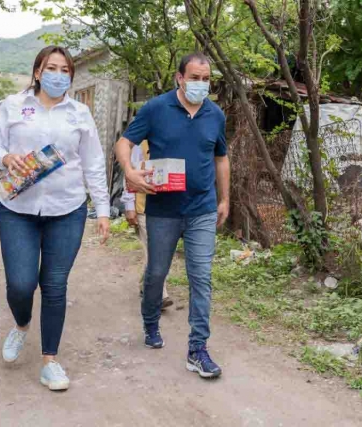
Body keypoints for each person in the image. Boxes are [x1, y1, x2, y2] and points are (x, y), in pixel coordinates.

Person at [0, 45, 111, 391]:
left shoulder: (80, 113)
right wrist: (7, 157)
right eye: (51, 68)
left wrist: (102, 210)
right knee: (21, 284)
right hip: (17, 209)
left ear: (71, 76)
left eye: (65, 70)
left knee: (55, 285)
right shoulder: (13, 106)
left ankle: (49, 362)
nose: (58, 75)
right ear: (38, 72)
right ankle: (22, 324)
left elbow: (93, 164)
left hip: (67, 209)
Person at [115, 52, 230, 379]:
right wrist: (130, 171)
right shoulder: (156, 108)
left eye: (206, 79)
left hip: (202, 211)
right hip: (162, 211)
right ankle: (150, 322)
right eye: (194, 78)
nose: (200, 84)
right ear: (179, 78)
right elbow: (123, 143)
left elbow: (221, 158)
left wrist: (225, 199)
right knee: (156, 273)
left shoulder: (215, 115)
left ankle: (198, 349)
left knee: (201, 277)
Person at [120, 141, 173, 310]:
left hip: (168, 207)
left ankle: (146, 286)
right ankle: (160, 294)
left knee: (162, 251)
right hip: (144, 207)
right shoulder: (139, 145)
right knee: (153, 252)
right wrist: (129, 206)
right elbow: (129, 173)